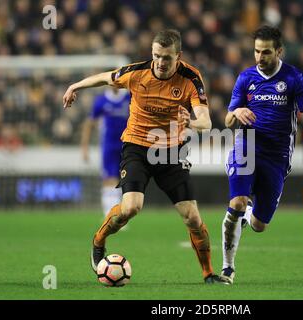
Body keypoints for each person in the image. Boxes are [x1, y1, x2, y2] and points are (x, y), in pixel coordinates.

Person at [63, 29, 227, 284]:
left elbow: (205, 121)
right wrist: (75, 85)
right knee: (131, 208)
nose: (160, 63)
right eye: (156, 56)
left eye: (167, 58)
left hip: (171, 150)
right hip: (136, 147)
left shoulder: (191, 77)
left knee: (193, 217)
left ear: (178, 56)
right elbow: (106, 78)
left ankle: (208, 274)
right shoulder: (137, 72)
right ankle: (98, 240)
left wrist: (191, 122)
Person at [220, 26, 303, 284]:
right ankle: (227, 269)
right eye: (256, 51)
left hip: (278, 156)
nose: (260, 57)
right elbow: (226, 119)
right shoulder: (245, 78)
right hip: (246, 145)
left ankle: (249, 213)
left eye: (266, 52)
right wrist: (236, 114)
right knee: (236, 202)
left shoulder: (294, 78)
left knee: (259, 225)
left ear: (279, 51)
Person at [81, 87, 129, 217]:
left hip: (128, 145)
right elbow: (89, 123)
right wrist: (85, 147)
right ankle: (111, 215)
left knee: (126, 180)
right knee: (109, 179)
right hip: (109, 146)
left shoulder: (129, 98)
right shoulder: (101, 100)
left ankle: (121, 214)